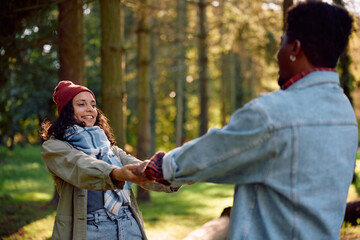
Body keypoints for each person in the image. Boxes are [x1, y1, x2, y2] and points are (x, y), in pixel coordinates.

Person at [134, 2, 357, 239]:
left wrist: (161, 166)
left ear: (295, 48)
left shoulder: (272, 114)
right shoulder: (345, 114)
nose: (277, 53)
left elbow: (215, 152)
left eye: (281, 43)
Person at [41, 80, 178, 240]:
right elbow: (81, 167)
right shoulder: (54, 147)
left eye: (93, 105)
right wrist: (117, 173)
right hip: (92, 230)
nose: (90, 109)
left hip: (129, 225)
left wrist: (175, 175)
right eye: (81, 104)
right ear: (67, 110)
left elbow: (137, 167)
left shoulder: (108, 147)